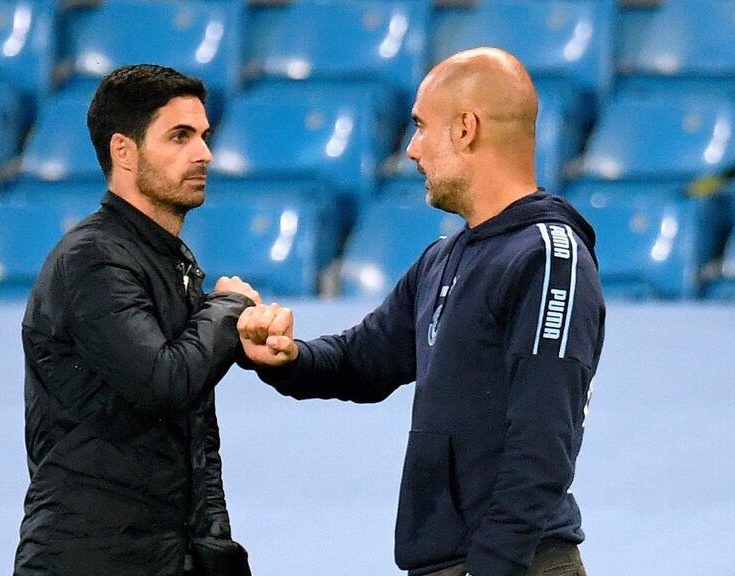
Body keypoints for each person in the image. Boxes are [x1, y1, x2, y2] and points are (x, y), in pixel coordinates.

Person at [237, 47, 605, 576]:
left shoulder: (548, 255)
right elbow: (364, 358)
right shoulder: (444, 257)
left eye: (420, 126)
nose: (411, 149)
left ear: (465, 129)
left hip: (514, 564)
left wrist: (492, 567)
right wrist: (285, 357)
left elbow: (543, 441)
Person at [14, 64, 256, 576]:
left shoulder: (164, 259)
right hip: (91, 557)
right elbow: (162, 381)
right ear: (124, 151)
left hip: (164, 550)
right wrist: (227, 308)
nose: (204, 154)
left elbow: (194, 429)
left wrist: (214, 544)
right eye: (180, 136)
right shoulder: (94, 260)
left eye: (204, 136)